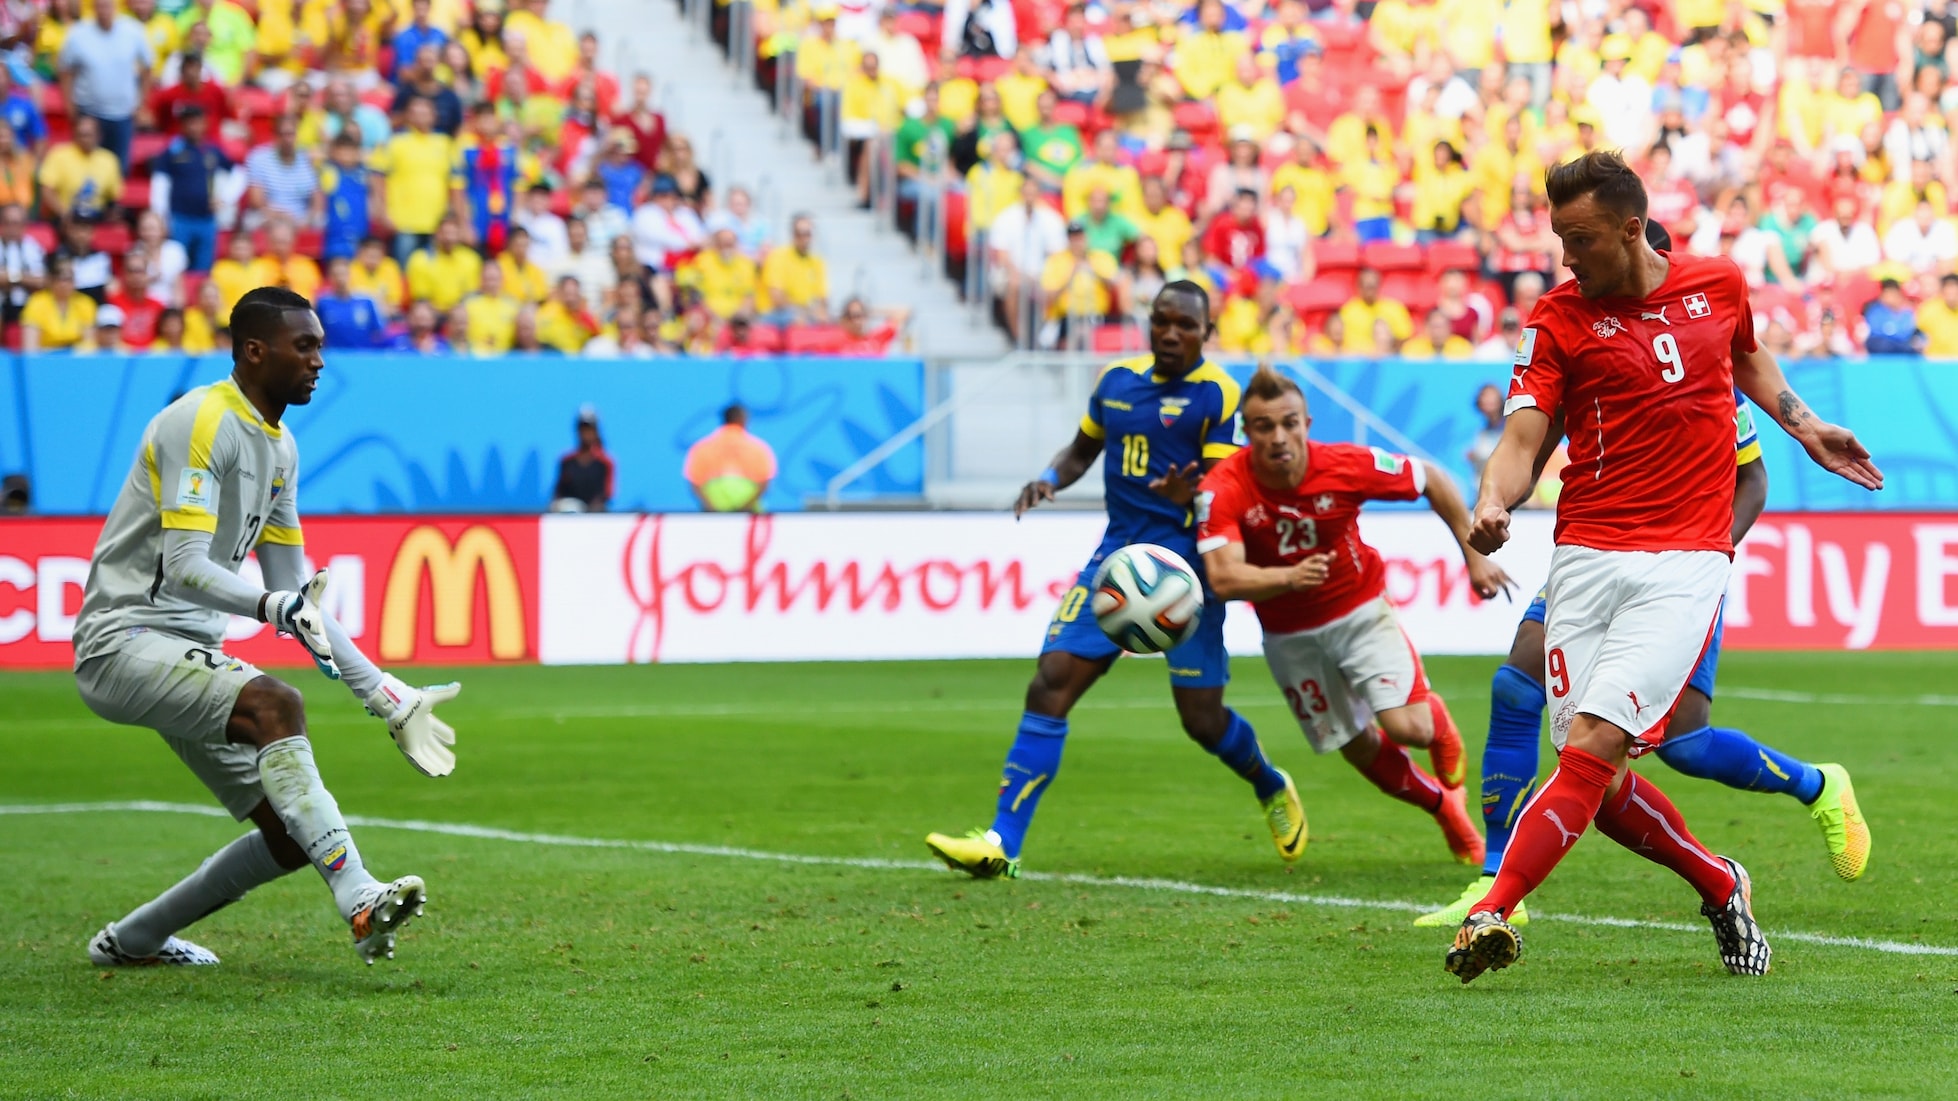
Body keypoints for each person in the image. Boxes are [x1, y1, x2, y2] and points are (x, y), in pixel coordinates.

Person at [1444, 151, 1883, 984]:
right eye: (1560, 238)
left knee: (1597, 744)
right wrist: (1494, 498)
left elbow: (1749, 357)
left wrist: (1805, 425)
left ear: (1632, 228)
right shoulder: (1557, 317)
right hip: (1585, 556)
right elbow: (1523, 436)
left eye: (1580, 239)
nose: (1567, 257)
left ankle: (1491, 909)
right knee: (1595, 774)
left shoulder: (1718, 284)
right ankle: (1721, 882)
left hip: (1685, 559)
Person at [73, 286, 461, 969]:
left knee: (288, 835)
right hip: (122, 640)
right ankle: (359, 895)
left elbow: (297, 598)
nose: (319, 361)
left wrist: (387, 696)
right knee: (275, 704)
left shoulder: (281, 450)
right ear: (255, 351)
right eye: (303, 346)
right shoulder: (201, 420)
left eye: (320, 346)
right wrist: (272, 607)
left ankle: (134, 940)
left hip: (188, 649)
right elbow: (185, 567)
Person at [924, 282, 1303, 880]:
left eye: (1185, 325)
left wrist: (1188, 496)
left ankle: (1269, 782)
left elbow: (1223, 490)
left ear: (1206, 333)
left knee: (1202, 721)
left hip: (1187, 571)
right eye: (1162, 321)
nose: (1171, 334)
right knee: (1051, 681)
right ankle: (1001, 841)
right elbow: (1082, 451)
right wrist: (1049, 478)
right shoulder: (1115, 383)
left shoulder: (1217, 394)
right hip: (1119, 562)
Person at [1198, 368, 1502, 865]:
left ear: (1306, 424)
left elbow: (1430, 478)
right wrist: (1290, 577)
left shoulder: (1343, 464)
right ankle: (1444, 809)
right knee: (1356, 747)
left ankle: (1439, 727)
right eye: (1264, 426)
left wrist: (1474, 556)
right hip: (1289, 638)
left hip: (1359, 611)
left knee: (1408, 729)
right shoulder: (1224, 487)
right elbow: (1223, 578)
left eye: (1289, 423)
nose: (1278, 437)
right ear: (1247, 432)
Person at [57, 0, 155, 172]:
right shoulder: (78, 33)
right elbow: (65, 71)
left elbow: (148, 68)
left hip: (122, 114)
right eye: (100, 6)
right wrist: (69, 105)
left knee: (118, 168)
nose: (104, 11)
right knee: (85, 168)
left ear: (116, 7)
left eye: (107, 6)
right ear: (94, 8)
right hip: (89, 112)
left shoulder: (133, 31)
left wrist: (141, 103)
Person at [684, 402, 777, 513]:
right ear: (744, 420)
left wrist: (712, 508)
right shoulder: (758, 448)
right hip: (749, 513)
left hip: (714, 514)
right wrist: (744, 509)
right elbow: (765, 484)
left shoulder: (702, 447)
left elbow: (695, 484)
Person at [550, 409, 614, 512]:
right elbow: (559, 492)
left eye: (590, 429)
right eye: (583, 428)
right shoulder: (566, 461)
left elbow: (607, 494)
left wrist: (588, 512)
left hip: (596, 516)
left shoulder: (605, 463)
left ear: (596, 432)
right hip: (569, 515)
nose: (586, 433)